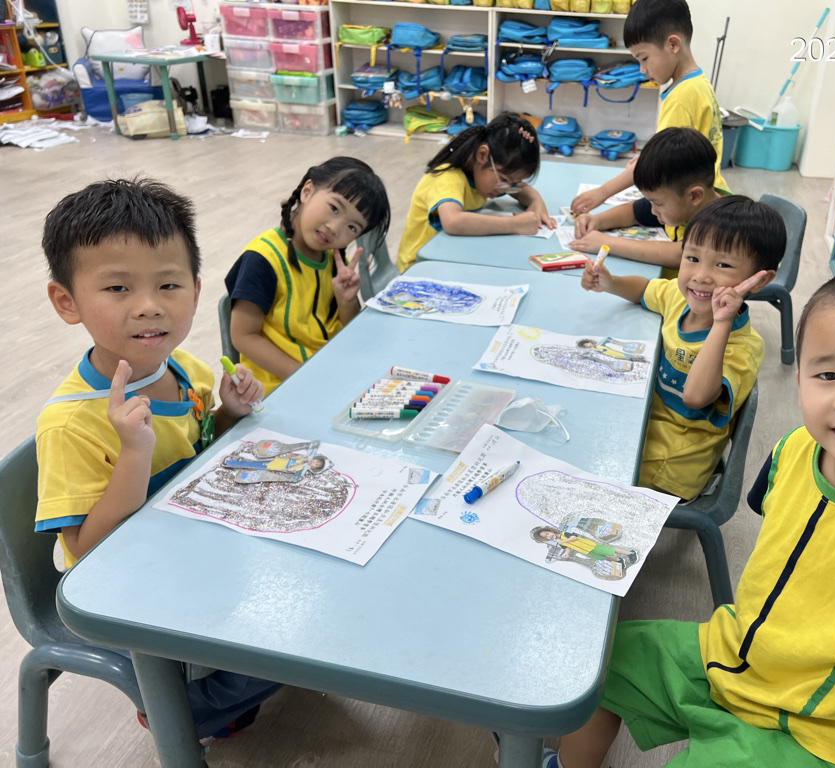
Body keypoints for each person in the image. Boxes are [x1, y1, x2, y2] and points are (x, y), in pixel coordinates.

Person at [547, 263, 835, 768]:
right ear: (799, 380)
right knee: (591, 668)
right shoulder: (794, 448)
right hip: (733, 655)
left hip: (821, 727)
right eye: (827, 375)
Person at [36, 177, 281, 740]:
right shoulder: (71, 423)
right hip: (125, 584)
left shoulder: (185, 369)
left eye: (168, 284)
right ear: (67, 302)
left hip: (188, 543)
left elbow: (200, 456)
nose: (149, 306)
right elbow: (86, 551)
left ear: (194, 290)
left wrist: (228, 414)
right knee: (285, 641)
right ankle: (181, 712)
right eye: (117, 288)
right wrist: (133, 454)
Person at [582, 195, 784, 501]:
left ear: (759, 280)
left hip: (672, 464)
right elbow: (645, 289)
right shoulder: (680, 298)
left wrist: (721, 323)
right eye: (692, 258)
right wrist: (609, 283)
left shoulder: (743, 346)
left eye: (723, 264)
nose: (701, 276)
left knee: (584, 466)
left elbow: (695, 397)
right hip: (643, 422)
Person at [226, 156, 390, 393]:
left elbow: (349, 330)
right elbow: (243, 336)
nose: (334, 228)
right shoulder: (262, 259)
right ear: (307, 191)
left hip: (330, 375)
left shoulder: (333, 258)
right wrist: (305, 375)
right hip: (280, 389)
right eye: (334, 208)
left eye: (352, 227)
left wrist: (346, 301)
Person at [570, 0, 728, 216]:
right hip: (709, 194)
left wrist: (601, 192)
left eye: (644, 58)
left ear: (673, 44)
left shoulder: (681, 98)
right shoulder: (697, 83)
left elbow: (659, 164)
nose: (642, 70)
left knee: (644, 209)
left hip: (688, 209)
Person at [396, 112, 556, 273]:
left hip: (450, 255)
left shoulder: (484, 177)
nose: (505, 188)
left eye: (512, 183)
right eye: (504, 179)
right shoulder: (447, 177)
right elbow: (452, 221)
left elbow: (523, 189)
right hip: (419, 266)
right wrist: (514, 224)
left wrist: (536, 202)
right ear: (482, 155)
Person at [570, 127, 727, 275]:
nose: (652, 210)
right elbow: (634, 212)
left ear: (694, 196)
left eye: (657, 203)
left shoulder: (723, 225)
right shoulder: (680, 202)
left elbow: (679, 254)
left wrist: (607, 243)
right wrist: (597, 220)